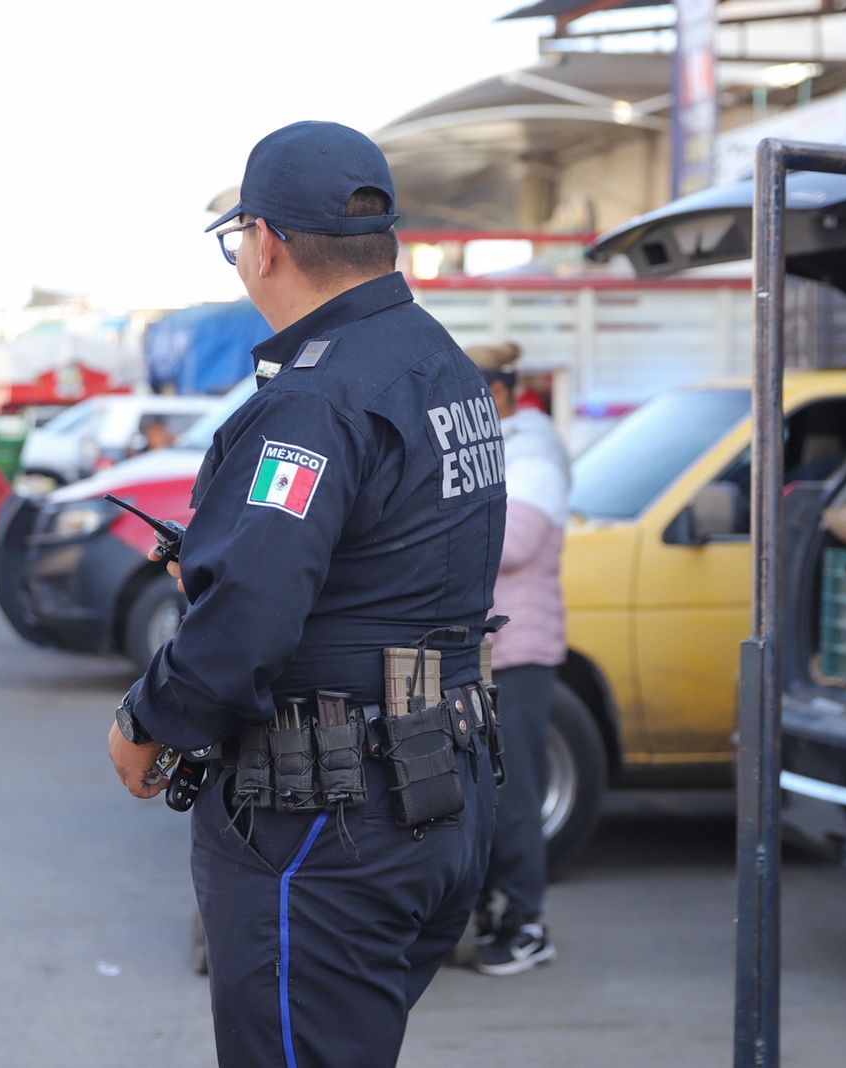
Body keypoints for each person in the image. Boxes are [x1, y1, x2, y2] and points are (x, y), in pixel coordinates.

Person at [107, 121, 505, 1068]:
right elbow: (388, 565)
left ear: (267, 243)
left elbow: (245, 625)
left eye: (239, 237)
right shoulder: (441, 364)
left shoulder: (314, 399)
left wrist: (144, 724)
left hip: (328, 825)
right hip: (435, 793)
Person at [465, 342, 569, 976]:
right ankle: (482, 915)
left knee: (515, 792)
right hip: (479, 650)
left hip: (519, 649)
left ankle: (528, 925)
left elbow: (515, 542)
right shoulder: (493, 445)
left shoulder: (533, 450)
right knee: (478, 792)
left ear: (498, 393)